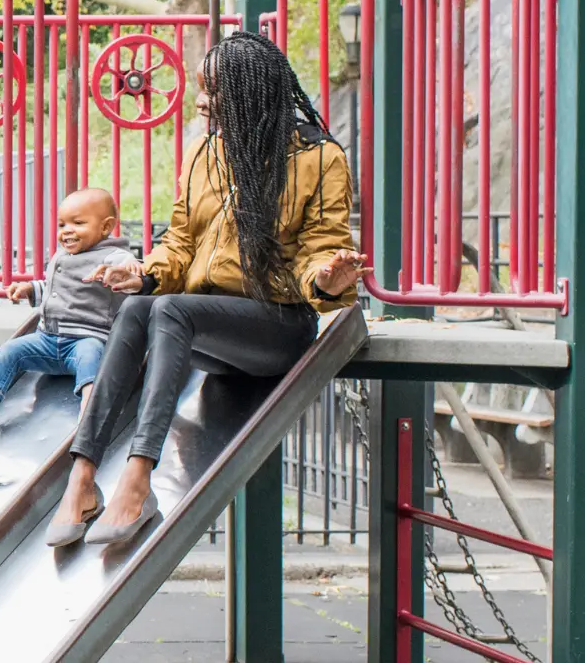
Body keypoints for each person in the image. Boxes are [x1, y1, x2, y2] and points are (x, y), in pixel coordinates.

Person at [46, 32, 367, 549]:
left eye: (214, 91)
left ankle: (137, 477)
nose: (200, 101)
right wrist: (144, 273)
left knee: (169, 310)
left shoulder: (318, 157)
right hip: (204, 322)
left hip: (276, 327)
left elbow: (319, 251)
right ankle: (82, 477)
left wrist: (325, 280)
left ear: (252, 94)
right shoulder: (203, 153)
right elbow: (180, 240)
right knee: (139, 307)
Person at [0, 188, 138, 437]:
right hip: (47, 340)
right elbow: (52, 289)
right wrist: (29, 289)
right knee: (10, 351)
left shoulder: (114, 255)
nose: (67, 230)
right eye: (62, 224)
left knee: (91, 359)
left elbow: (132, 269)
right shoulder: (62, 256)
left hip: (85, 340)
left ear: (105, 228)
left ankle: (88, 416)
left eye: (79, 223)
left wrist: (132, 266)